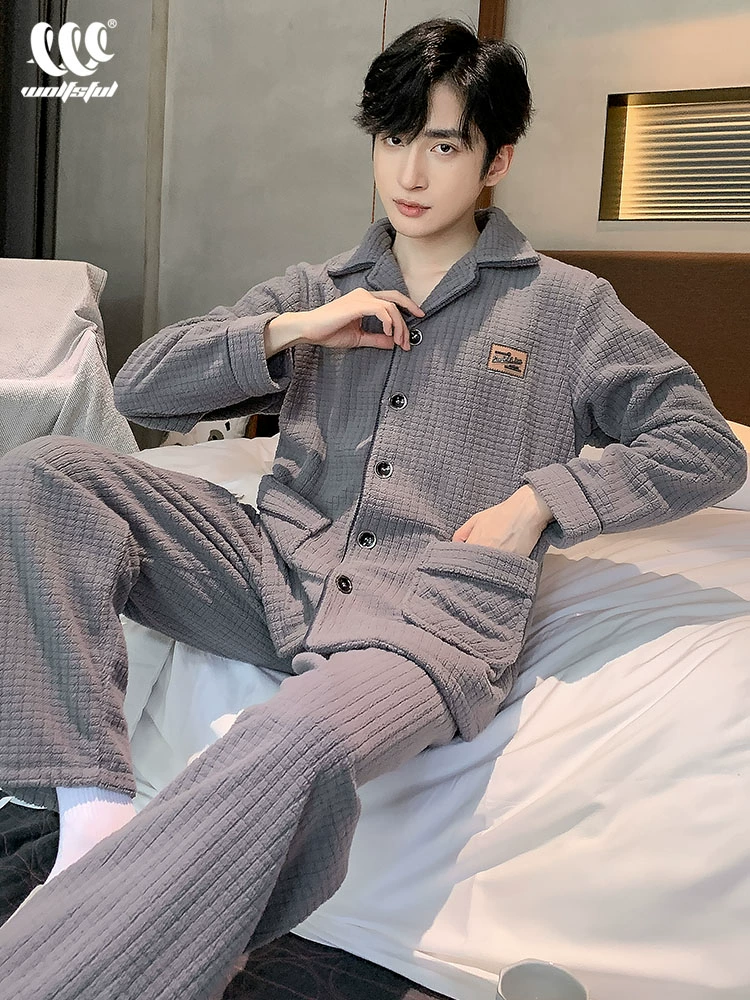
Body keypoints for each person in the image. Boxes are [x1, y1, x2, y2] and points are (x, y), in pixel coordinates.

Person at [0, 16, 746, 1000]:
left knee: (287, 742)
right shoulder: (323, 288)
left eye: (444, 145)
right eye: (394, 139)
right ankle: (92, 811)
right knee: (43, 472)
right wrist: (292, 330)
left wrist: (544, 499)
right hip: (274, 570)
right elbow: (140, 387)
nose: (411, 171)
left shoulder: (567, 307)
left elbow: (702, 444)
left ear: (495, 160)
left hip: (430, 621)